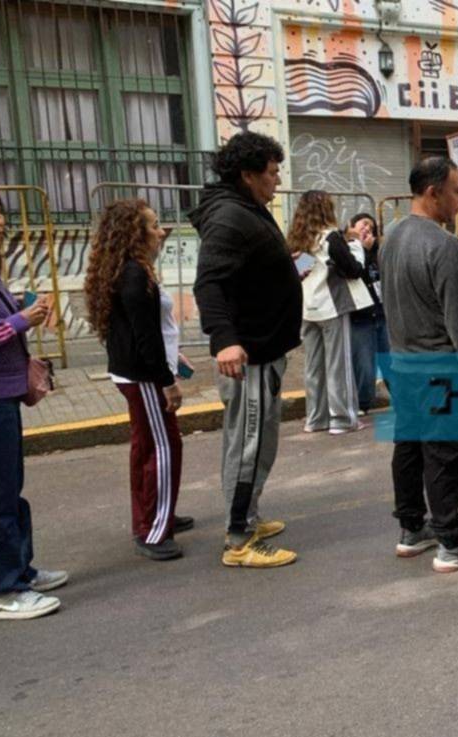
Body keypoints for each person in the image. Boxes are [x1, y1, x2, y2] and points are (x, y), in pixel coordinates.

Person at [382, 156, 458, 572]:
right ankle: (451, 540)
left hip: (403, 364)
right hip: (439, 368)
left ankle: (411, 528)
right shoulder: (443, 245)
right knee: (446, 455)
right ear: (433, 193)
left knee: (409, 447)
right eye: (457, 190)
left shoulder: (392, 236)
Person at [190, 132, 301, 569]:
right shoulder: (229, 217)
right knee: (248, 446)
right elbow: (209, 283)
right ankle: (239, 540)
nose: (278, 180)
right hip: (249, 355)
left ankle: (248, 516)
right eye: (272, 173)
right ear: (248, 175)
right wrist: (224, 340)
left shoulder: (245, 208)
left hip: (265, 349)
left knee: (260, 442)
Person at [84, 199, 196, 561]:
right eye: (153, 225)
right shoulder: (134, 274)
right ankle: (153, 530)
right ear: (134, 234)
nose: (161, 232)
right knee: (164, 448)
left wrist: (173, 356)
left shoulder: (127, 269)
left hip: (137, 372)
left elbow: (146, 329)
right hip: (144, 377)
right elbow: (144, 336)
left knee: (146, 447)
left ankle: (153, 515)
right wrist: (167, 381)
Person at [0, 184, 67, 619]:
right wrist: (21, 319)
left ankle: (20, 570)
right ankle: (1, 591)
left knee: (9, 489)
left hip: (5, 394)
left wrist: (22, 306)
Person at [287, 190, 373, 435]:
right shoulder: (330, 237)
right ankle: (342, 419)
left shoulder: (301, 239)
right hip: (332, 307)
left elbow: (303, 270)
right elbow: (354, 270)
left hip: (308, 308)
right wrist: (358, 245)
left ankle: (316, 418)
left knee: (313, 366)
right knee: (338, 365)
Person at [348, 212, 387, 415]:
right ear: (352, 226)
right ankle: (362, 403)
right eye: (363, 224)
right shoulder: (348, 250)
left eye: (371, 228)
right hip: (360, 317)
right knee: (364, 364)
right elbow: (355, 274)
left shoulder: (378, 252)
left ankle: (404, 399)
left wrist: (372, 251)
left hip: (381, 313)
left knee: (390, 360)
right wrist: (361, 249)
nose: (367, 229)